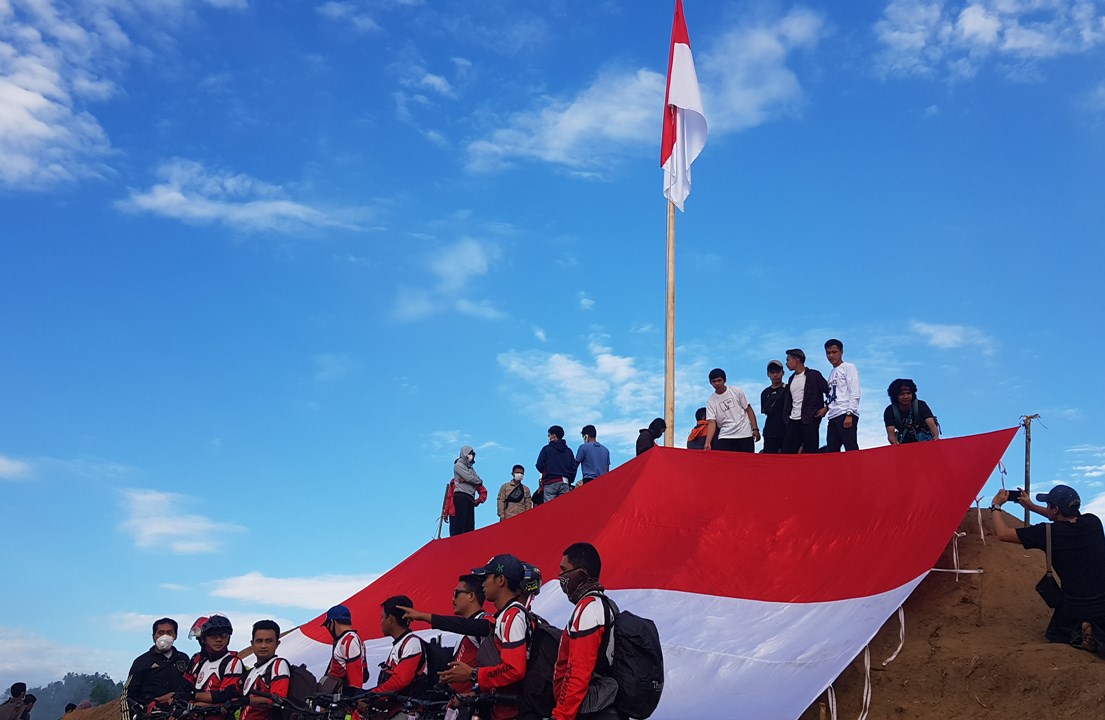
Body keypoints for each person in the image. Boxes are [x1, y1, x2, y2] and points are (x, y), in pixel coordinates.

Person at [990, 485, 1105, 652]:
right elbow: (1060, 518)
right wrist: (1031, 506)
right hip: (1102, 601)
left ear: (1055, 509)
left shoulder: (1047, 532)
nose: (1046, 508)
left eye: (1048, 505)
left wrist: (996, 506)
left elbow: (1003, 533)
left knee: (1056, 633)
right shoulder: (1093, 522)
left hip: (1076, 605)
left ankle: (1082, 629)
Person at [439, 554, 530, 720]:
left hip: (513, 714)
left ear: (501, 580)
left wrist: (473, 674)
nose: (483, 584)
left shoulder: (513, 616)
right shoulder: (504, 616)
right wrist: (474, 692)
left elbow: (514, 670)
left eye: (487, 577)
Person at [551, 543, 618, 720]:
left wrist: (561, 716)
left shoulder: (589, 608)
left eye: (564, 570)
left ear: (581, 573)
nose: (560, 578)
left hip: (592, 712)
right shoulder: (603, 604)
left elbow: (577, 672)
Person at [398, 575, 494, 696]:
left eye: (456, 593)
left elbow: (474, 626)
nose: (452, 599)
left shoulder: (485, 621)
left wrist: (423, 616)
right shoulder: (464, 633)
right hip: (460, 702)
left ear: (471, 596)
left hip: (478, 704)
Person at [120, 617, 191, 720]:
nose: (164, 636)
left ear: (175, 636)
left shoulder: (184, 659)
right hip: (150, 715)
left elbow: (189, 687)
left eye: (169, 632)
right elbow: (128, 694)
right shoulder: (142, 662)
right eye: (160, 633)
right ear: (154, 637)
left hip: (178, 714)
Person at [180, 615, 245, 718]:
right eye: (213, 636)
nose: (218, 639)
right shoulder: (200, 663)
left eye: (224, 635)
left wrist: (192, 702)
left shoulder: (232, 662)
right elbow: (183, 691)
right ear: (203, 640)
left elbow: (226, 698)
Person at [369, 595, 429, 702]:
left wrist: (372, 696)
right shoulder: (400, 643)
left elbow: (400, 680)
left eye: (382, 617)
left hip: (408, 711)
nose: (381, 622)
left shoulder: (412, 643)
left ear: (390, 619)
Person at [781, 349, 829, 454]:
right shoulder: (791, 378)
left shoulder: (814, 375)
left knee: (810, 451)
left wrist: (826, 407)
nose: (786, 363)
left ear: (797, 359)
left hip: (810, 419)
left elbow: (829, 391)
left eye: (788, 360)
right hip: (793, 419)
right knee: (788, 451)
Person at [240, 620, 290, 720]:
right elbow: (228, 693)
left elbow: (278, 700)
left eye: (269, 641)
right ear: (252, 644)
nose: (263, 646)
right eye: (259, 641)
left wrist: (246, 701)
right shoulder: (250, 673)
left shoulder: (278, 665)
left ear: (277, 643)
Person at [703, 368, 760, 452]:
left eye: (719, 380)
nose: (717, 383)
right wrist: (707, 442)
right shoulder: (711, 400)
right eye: (714, 381)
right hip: (725, 435)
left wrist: (755, 429)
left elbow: (748, 409)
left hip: (744, 433)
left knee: (747, 463)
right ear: (710, 383)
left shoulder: (736, 391)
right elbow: (712, 422)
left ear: (724, 380)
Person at [823, 339, 861, 452]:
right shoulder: (832, 373)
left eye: (834, 352)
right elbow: (833, 395)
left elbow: (855, 391)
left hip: (845, 412)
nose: (831, 355)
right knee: (832, 450)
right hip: (833, 415)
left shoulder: (848, 367)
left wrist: (850, 413)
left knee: (850, 447)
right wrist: (825, 407)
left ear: (841, 352)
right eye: (828, 353)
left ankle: (857, 469)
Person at [320, 604, 366, 696]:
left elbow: (355, 681)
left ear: (332, 622)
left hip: (341, 700)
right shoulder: (345, 640)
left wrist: (352, 703)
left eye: (327, 625)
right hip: (335, 696)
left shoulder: (349, 641)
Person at [883, 379, 939, 444]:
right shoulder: (890, 411)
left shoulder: (920, 405)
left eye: (908, 393)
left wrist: (935, 438)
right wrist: (895, 444)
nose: (906, 397)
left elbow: (932, 425)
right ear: (896, 396)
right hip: (904, 442)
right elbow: (891, 434)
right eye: (902, 394)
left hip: (924, 440)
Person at [536, 426, 578, 502]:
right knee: (563, 509)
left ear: (554, 436)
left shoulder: (546, 449)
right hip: (564, 482)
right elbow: (574, 467)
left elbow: (539, 465)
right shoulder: (569, 451)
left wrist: (546, 472)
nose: (548, 437)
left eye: (549, 435)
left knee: (549, 510)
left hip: (550, 482)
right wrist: (570, 480)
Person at [452, 445, 484, 536]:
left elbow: (478, 480)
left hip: (470, 496)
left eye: (473, 454)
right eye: (470, 454)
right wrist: (471, 480)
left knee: (470, 525)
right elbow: (471, 478)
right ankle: (458, 543)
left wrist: (472, 480)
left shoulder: (470, 468)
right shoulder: (458, 465)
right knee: (460, 523)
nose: (472, 456)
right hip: (461, 495)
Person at [760, 360, 788, 453]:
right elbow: (765, 410)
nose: (775, 375)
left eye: (778, 372)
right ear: (768, 374)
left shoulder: (788, 389)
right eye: (772, 372)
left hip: (787, 429)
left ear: (783, 373)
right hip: (770, 431)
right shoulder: (765, 393)